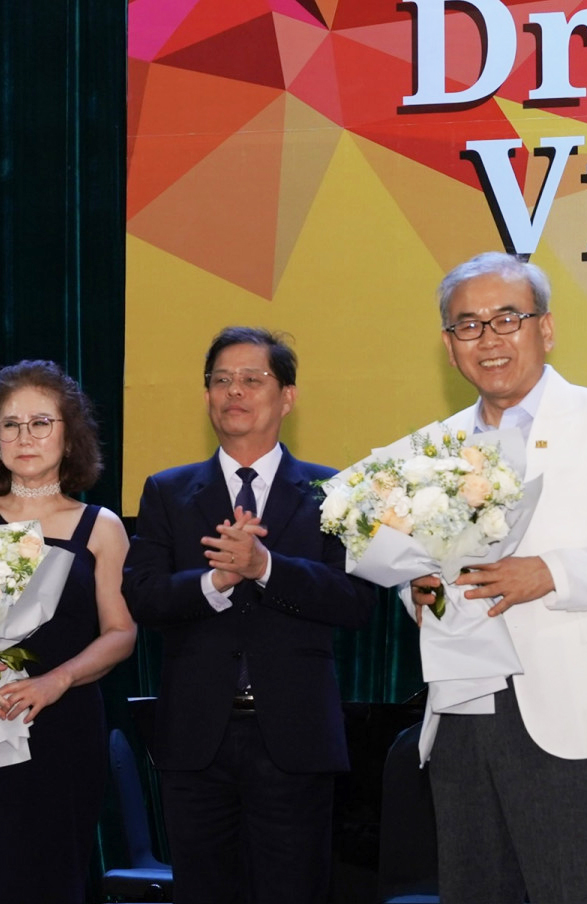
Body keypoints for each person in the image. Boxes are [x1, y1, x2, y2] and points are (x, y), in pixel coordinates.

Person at [409, 252, 587, 904]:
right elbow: (424, 572)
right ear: (449, 347)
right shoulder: (434, 445)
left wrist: (549, 573)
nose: (489, 339)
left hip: (574, 715)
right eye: (467, 325)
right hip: (461, 711)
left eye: (507, 318)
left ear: (545, 328)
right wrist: (417, 593)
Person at [122, 326, 377, 904]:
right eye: (220, 380)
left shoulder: (333, 491)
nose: (233, 392)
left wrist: (266, 568)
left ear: (286, 395)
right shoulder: (167, 490)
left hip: (294, 738)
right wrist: (216, 581)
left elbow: (357, 602)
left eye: (251, 380)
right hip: (195, 739)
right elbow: (143, 597)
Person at [0, 359, 136, 903]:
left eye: (41, 423)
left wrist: (57, 681)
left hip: (62, 729)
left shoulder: (101, 526)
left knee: (53, 879)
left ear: (69, 437)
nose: (25, 436)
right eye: (10, 424)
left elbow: (121, 633)